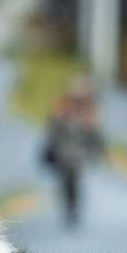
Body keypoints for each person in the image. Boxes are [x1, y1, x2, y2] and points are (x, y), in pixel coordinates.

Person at [41, 77, 105, 227]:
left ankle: (73, 207)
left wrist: (97, 151)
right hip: (63, 151)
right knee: (65, 181)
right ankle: (68, 206)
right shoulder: (63, 106)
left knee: (73, 180)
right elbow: (52, 128)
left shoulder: (89, 110)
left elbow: (95, 134)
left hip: (77, 153)